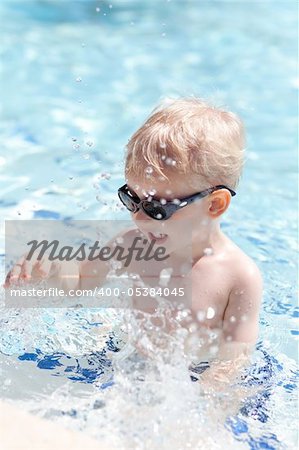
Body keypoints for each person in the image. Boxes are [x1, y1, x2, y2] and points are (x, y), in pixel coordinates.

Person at [4, 97, 263, 389]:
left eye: (157, 209)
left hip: (191, 378)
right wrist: (50, 268)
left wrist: (201, 402)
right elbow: (79, 280)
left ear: (215, 205)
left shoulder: (239, 276)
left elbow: (233, 360)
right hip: (126, 363)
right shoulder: (132, 245)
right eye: (132, 199)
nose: (139, 218)